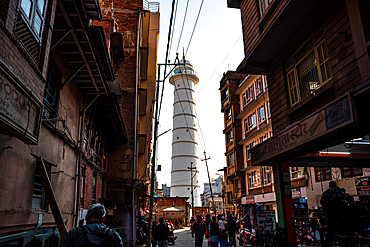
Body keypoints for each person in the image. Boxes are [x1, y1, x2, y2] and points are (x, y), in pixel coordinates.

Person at [320, 181, 353, 246]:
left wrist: (339, 201)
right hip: (331, 214)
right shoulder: (326, 194)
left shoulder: (341, 193)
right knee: (331, 230)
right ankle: (329, 243)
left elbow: (347, 200)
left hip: (341, 214)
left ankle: (342, 243)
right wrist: (329, 200)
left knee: (342, 230)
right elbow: (322, 203)